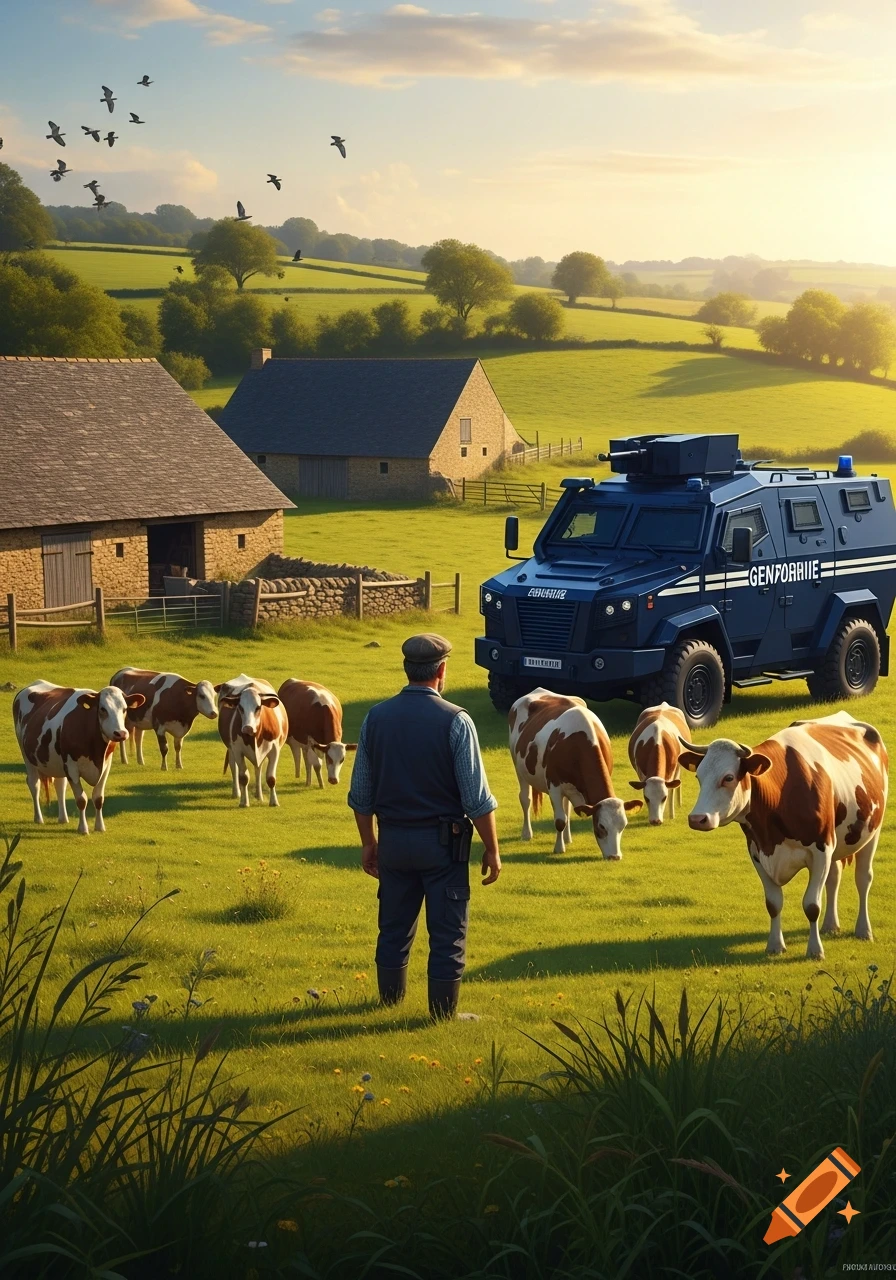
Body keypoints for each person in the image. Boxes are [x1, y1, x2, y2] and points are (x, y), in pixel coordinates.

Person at [347, 633, 501, 1020]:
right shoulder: (457, 721)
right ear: (442, 670)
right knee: (447, 932)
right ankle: (442, 1016)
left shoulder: (375, 718)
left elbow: (361, 794)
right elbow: (476, 798)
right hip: (442, 846)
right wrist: (493, 849)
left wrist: (369, 843)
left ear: (406, 668)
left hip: (394, 841)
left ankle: (387, 1004)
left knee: (394, 926)